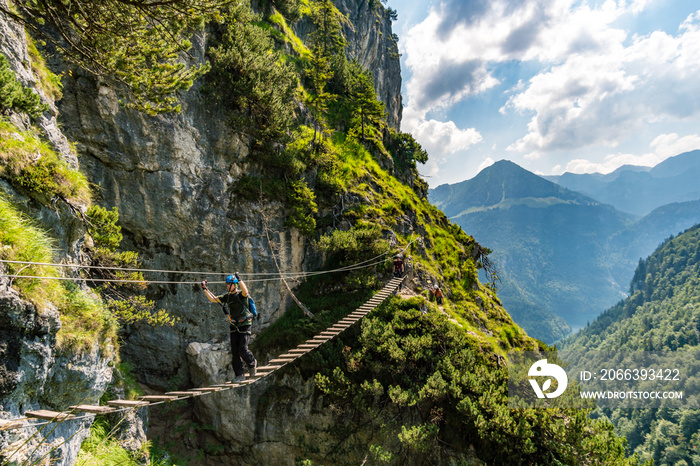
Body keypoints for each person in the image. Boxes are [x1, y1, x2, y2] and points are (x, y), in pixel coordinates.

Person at [201, 273, 257, 383]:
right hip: (234, 325)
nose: (228, 286)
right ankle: (240, 375)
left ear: (235, 285)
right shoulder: (227, 297)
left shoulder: (242, 295)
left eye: (229, 284)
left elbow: (245, 291)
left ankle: (252, 363)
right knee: (235, 352)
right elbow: (214, 299)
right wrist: (204, 289)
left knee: (243, 349)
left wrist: (240, 279)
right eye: (227, 284)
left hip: (245, 324)